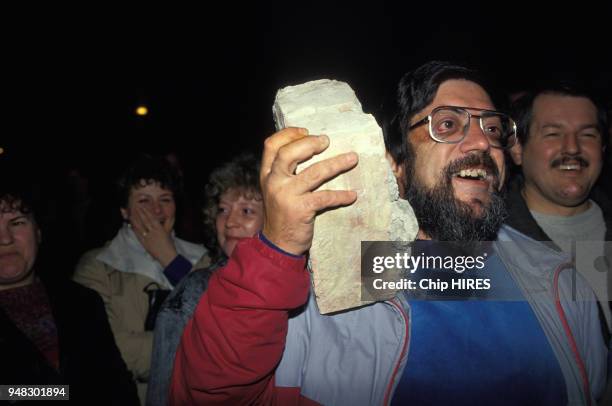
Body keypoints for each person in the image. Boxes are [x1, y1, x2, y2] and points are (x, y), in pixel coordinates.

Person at [170, 61, 607, 405]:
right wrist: (277, 249)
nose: (480, 143)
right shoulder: (339, 282)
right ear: (395, 166)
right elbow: (211, 394)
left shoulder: (558, 282)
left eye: (492, 128)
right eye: (448, 124)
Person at [73, 155, 209, 404]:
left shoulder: (201, 260)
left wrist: (170, 259)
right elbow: (111, 351)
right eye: (144, 200)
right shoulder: (96, 267)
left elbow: (219, 325)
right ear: (124, 210)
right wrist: (195, 345)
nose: (156, 210)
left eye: (165, 200)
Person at [0, 184, 139, 405]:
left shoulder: (82, 301)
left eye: (16, 223)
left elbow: (117, 383)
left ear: (38, 232)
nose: (5, 239)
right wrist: (63, 391)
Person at [147, 153, 263, 406]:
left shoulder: (301, 286)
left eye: (246, 210)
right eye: (222, 210)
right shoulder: (194, 290)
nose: (230, 222)